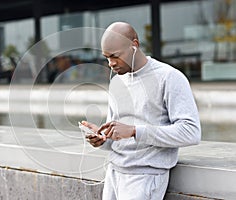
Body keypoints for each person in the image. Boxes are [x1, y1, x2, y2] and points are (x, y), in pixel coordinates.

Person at [82, 22, 201, 200]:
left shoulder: (169, 77)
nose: (110, 64)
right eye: (106, 57)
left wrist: (135, 130)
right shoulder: (117, 82)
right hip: (113, 174)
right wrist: (101, 139)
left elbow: (191, 132)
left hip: (144, 179)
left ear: (134, 46)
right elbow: (117, 137)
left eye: (115, 56)